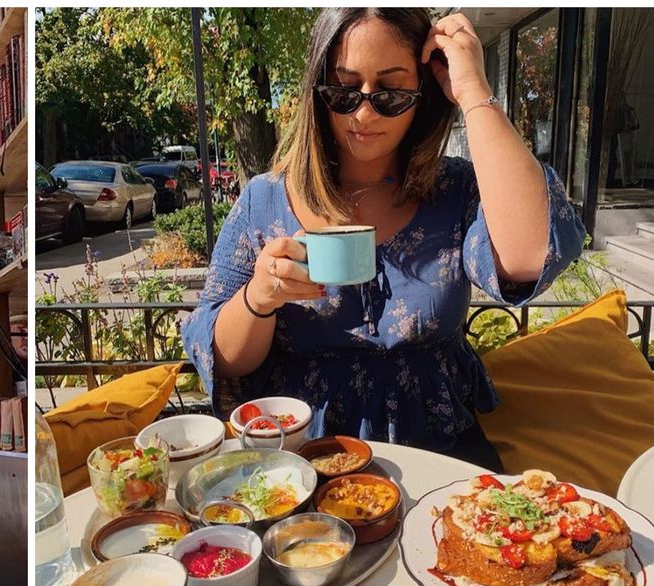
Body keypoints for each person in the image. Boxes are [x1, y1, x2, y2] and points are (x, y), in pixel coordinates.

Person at [182, 9, 587, 471]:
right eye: (344, 89)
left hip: (438, 451)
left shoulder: (456, 192)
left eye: (392, 92)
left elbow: (528, 257)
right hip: (299, 457)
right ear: (318, 91)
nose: (365, 111)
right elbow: (225, 360)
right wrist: (260, 297)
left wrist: (473, 91)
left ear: (423, 91)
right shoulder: (264, 199)